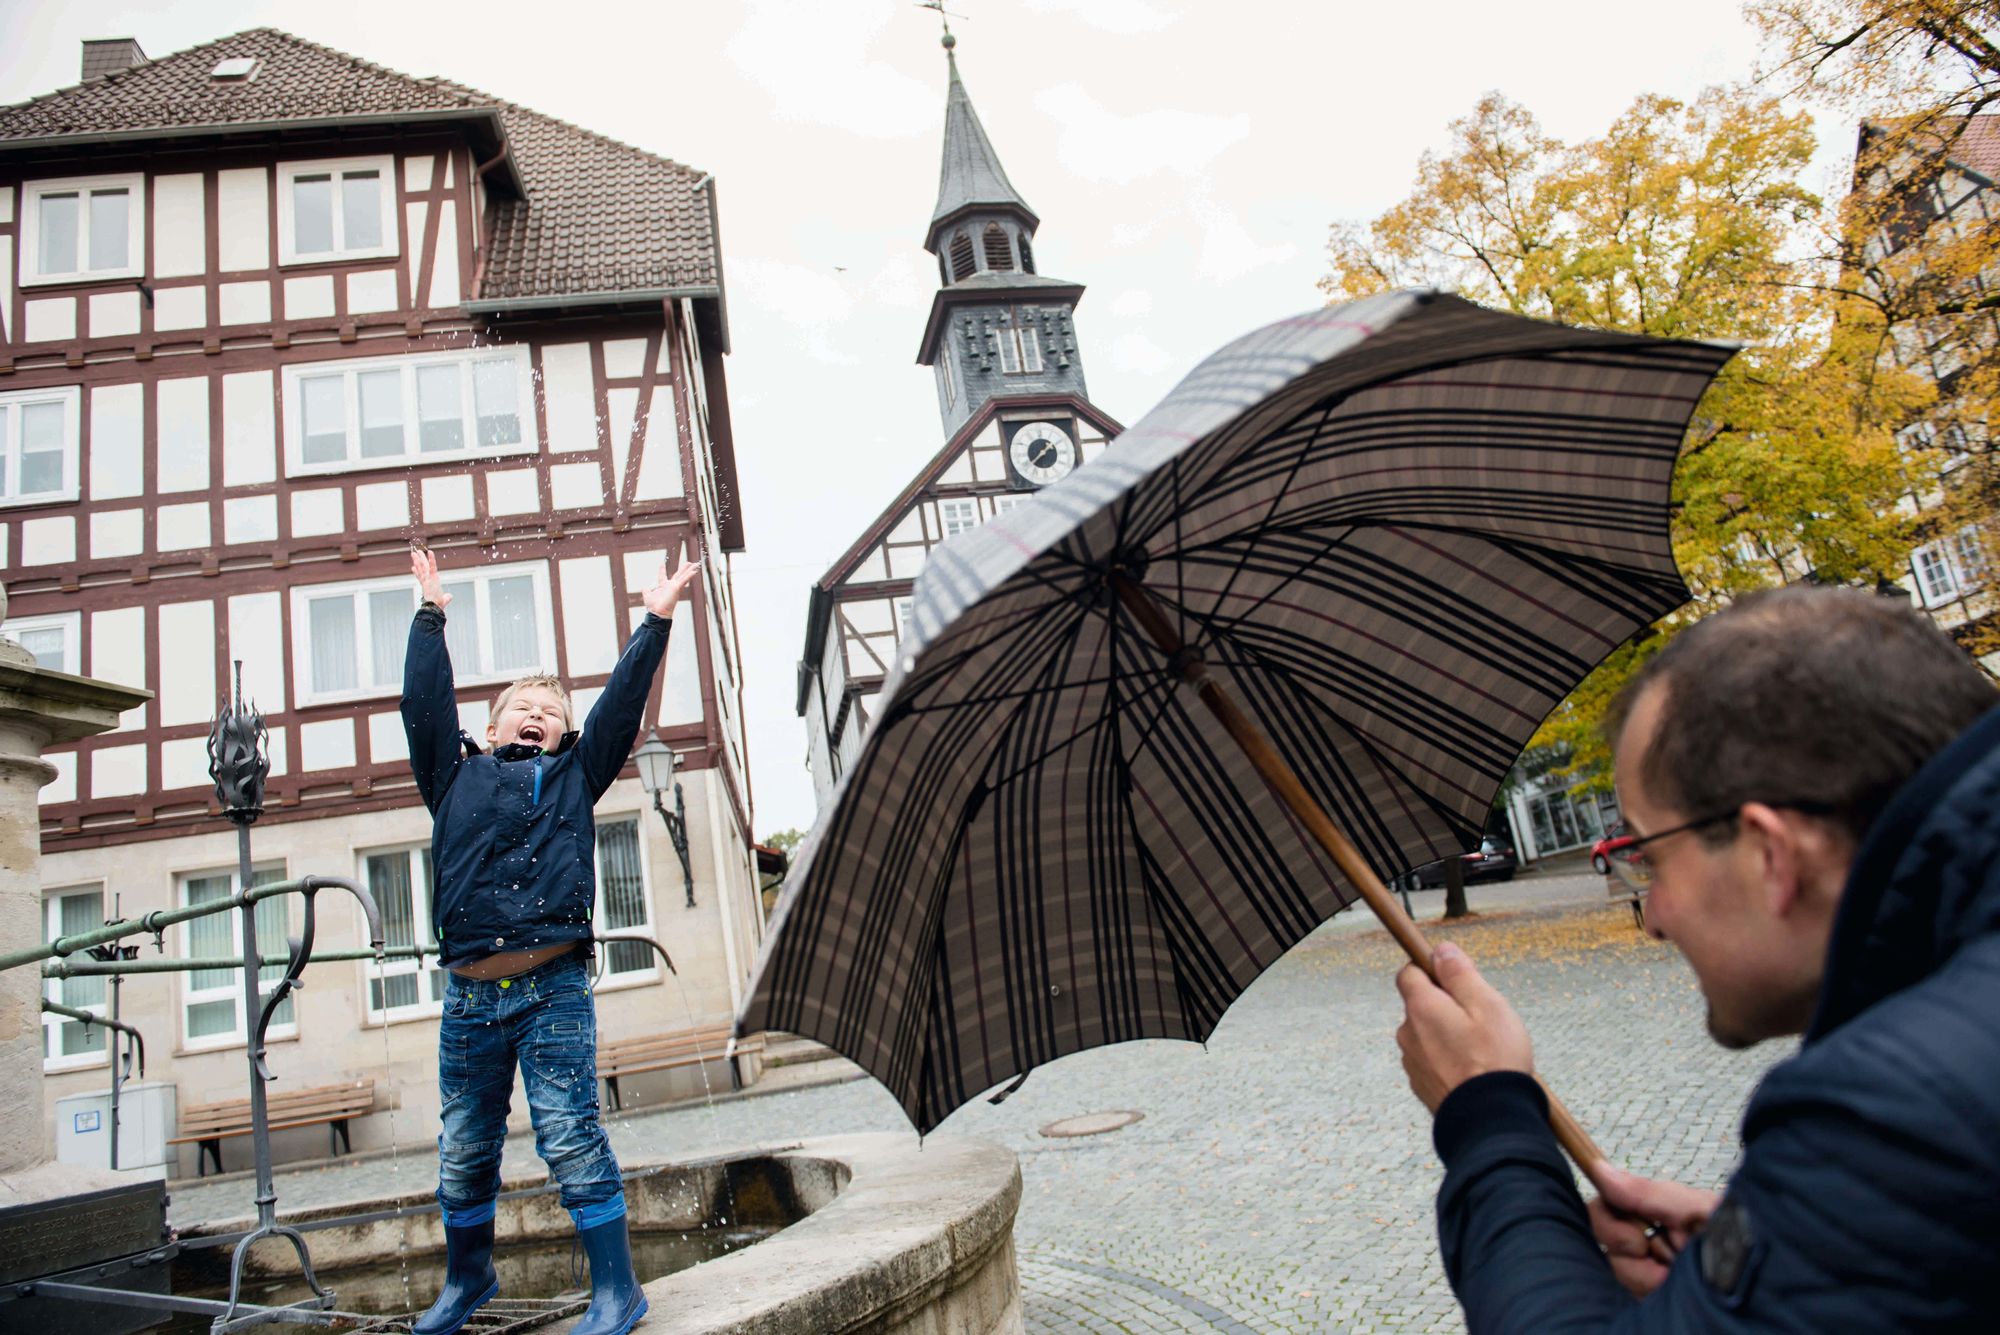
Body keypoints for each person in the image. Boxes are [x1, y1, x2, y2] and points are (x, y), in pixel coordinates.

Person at [1393, 585, 2000, 1330]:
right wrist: (1781, 1259)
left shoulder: (1896, 1113)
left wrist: (1484, 1113)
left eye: (1649, 858)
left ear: (1772, 854)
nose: (1653, 918)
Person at [401, 541, 700, 1335]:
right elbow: (422, 707)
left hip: (553, 989)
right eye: (522, 706)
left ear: (565, 733)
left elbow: (619, 707)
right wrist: (430, 616)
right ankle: (469, 1279)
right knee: (464, 1145)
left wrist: (655, 620)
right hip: (469, 998)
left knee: (567, 1130)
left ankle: (617, 1289)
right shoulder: (452, 777)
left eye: (552, 708)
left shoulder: (575, 773)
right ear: (491, 726)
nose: (538, 713)